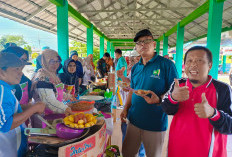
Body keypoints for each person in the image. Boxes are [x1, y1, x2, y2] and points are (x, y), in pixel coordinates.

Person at [161, 46, 232, 157]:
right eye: (189, 60)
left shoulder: (222, 89)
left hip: (210, 152)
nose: (193, 64)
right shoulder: (178, 84)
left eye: (199, 60)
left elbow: (230, 126)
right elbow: (166, 109)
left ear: (210, 65)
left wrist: (213, 114)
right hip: (177, 150)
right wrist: (173, 98)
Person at [121, 29, 178, 157]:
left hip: (155, 123)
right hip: (133, 120)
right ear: (136, 47)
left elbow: (174, 90)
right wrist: (125, 109)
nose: (143, 44)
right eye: (139, 42)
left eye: (147, 41)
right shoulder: (136, 67)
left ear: (154, 44)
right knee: (127, 153)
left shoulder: (166, 65)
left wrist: (159, 99)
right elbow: (132, 90)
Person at [0, 53, 45, 157]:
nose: (21, 74)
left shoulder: (6, 89)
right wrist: (33, 109)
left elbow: (12, 110)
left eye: (21, 70)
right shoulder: (2, 91)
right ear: (1, 71)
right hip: (8, 151)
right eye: (17, 69)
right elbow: (6, 124)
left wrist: (30, 106)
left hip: (15, 146)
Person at [31, 49, 73, 128]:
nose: (55, 64)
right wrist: (65, 108)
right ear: (45, 61)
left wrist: (68, 96)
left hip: (54, 114)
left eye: (57, 61)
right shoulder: (42, 77)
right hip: (44, 119)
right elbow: (48, 101)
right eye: (52, 61)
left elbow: (56, 91)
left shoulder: (51, 74)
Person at [1, 46, 32, 110]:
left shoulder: (26, 81)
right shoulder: (2, 89)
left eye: (24, 60)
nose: (22, 64)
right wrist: (33, 109)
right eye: (19, 60)